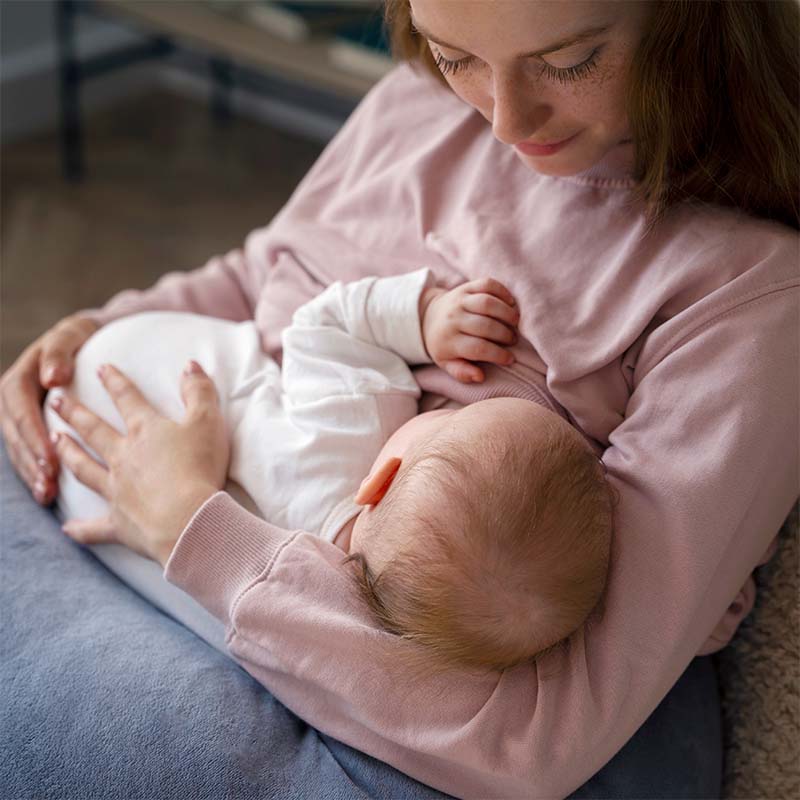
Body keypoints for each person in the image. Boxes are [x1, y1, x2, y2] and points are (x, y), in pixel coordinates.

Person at [1, 0, 797, 797]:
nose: (505, 120)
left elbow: (542, 736)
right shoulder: (415, 103)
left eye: (569, 61)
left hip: (407, 684)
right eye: (458, 56)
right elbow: (261, 275)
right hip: (200, 507)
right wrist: (97, 330)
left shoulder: (745, 292)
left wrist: (188, 526)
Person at [45, 268, 615, 674]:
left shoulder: (355, 426)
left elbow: (322, 324)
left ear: (381, 479)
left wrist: (423, 319)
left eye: (453, 419)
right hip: (99, 503)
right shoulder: (316, 600)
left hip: (122, 373)